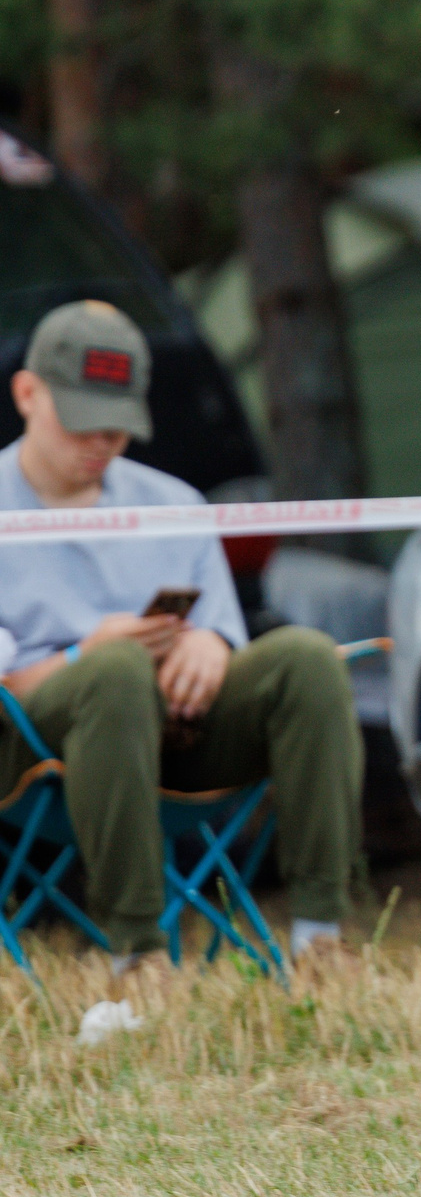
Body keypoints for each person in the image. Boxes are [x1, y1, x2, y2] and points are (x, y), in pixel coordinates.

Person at [0, 300, 362, 983]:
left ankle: (322, 938)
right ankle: (136, 953)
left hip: (177, 739)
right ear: (26, 393)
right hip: (31, 751)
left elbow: (219, 628)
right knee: (113, 671)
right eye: (81, 418)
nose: (100, 441)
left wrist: (212, 646)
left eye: (117, 425)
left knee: (306, 657)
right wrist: (89, 654)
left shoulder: (174, 503)